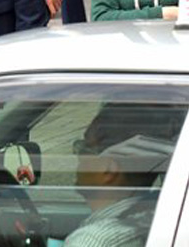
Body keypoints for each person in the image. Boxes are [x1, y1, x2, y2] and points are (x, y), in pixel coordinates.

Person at [67, 103, 185, 246]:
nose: (77, 156)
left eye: (84, 148)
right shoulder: (162, 217)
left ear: (108, 170)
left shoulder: (93, 240)